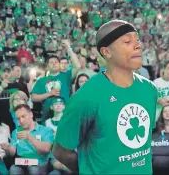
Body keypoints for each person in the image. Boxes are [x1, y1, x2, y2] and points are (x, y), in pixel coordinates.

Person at [53, 20, 157, 174]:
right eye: (128, 41)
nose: (138, 45)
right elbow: (61, 151)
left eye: (137, 39)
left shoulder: (150, 89)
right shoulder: (86, 97)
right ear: (107, 52)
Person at [0, 104, 54, 175]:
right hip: (22, 162)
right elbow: (12, 152)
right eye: (18, 118)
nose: (21, 120)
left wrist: (30, 138)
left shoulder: (46, 130)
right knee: (14, 169)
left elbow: (46, 149)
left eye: (23, 116)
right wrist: (7, 149)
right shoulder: (16, 132)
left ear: (31, 114)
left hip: (40, 162)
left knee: (33, 169)